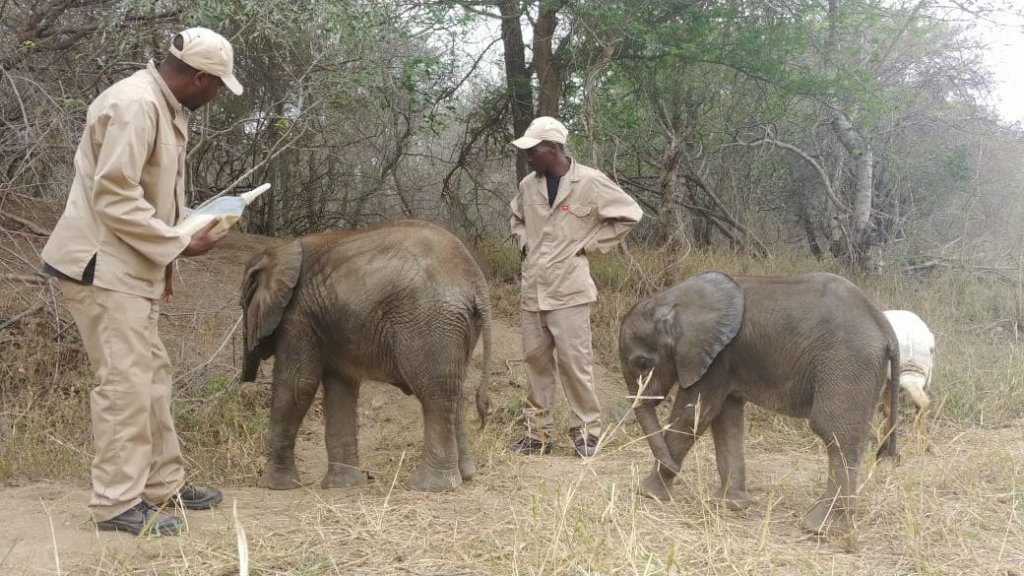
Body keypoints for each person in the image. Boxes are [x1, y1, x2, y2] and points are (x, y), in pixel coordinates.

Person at [40, 27, 244, 536]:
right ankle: (115, 505)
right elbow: (115, 196)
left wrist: (182, 231)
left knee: (151, 376)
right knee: (125, 386)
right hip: (102, 268)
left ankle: (161, 485)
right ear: (198, 77)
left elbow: (139, 196)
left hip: (128, 266)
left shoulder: (159, 104)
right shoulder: (136, 105)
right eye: (217, 85)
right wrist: (178, 244)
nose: (217, 94)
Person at [507, 116, 643, 458]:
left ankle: (587, 433)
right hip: (532, 290)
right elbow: (517, 219)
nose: (528, 157)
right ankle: (537, 434)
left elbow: (629, 214)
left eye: (533, 150)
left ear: (552, 149)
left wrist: (591, 245)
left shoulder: (591, 182)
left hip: (570, 291)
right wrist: (524, 243)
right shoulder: (528, 185)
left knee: (575, 363)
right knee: (535, 362)